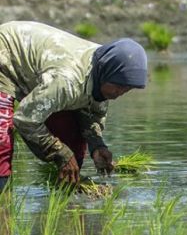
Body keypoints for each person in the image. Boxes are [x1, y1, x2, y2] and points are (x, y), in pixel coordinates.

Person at [0, 21, 148, 191]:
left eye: (127, 89)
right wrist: (61, 153)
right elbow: (25, 119)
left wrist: (97, 146)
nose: (120, 92)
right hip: (6, 54)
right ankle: (3, 202)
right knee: (2, 137)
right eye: (118, 85)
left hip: (42, 73)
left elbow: (91, 115)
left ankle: (66, 192)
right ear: (106, 73)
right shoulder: (67, 81)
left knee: (73, 133)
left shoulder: (102, 75)